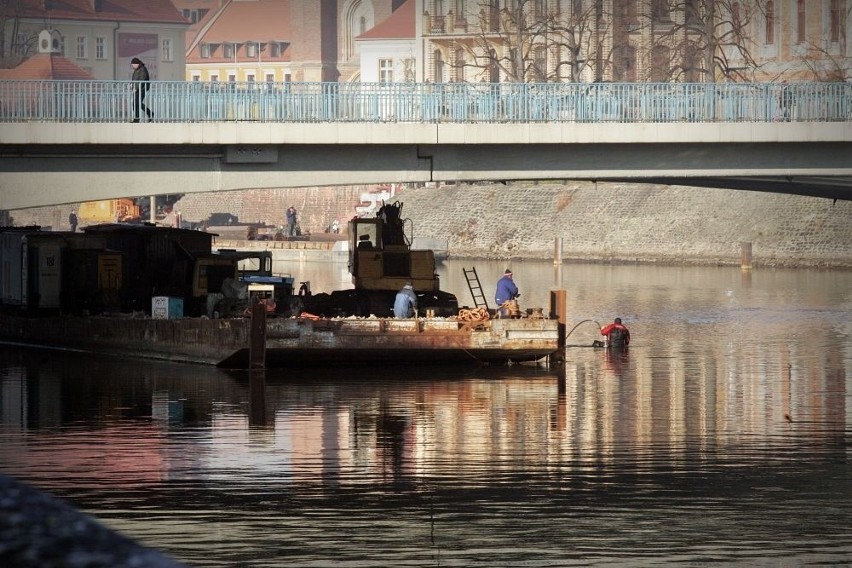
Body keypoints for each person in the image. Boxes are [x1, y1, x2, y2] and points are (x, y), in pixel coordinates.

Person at [130, 57, 153, 123]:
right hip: (137, 90)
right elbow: (134, 80)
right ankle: (137, 118)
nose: (132, 66)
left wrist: (136, 88)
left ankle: (149, 114)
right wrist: (132, 87)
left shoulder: (143, 69)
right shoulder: (136, 70)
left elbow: (142, 80)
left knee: (137, 103)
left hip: (142, 89)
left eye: (133, 64)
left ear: (137, 64)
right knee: (135, 104)